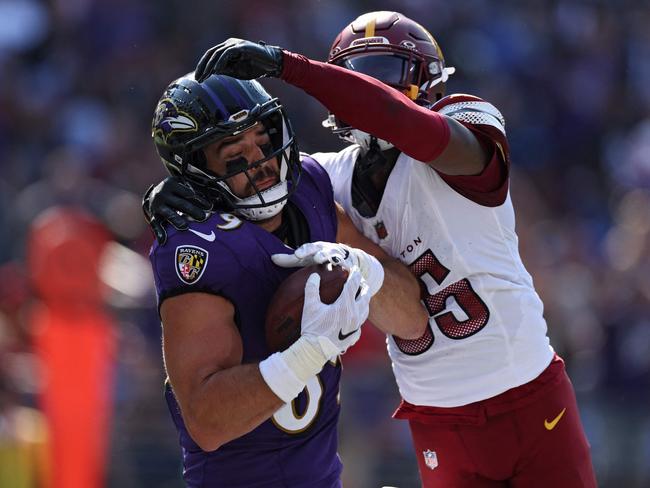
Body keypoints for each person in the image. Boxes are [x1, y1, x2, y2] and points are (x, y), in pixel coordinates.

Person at [145, 11, 598, 488]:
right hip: (434, 411)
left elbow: (399, 119)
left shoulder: (467, 129)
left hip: (524, 389)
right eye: (360, 79)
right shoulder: (330, 177)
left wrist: (289, 65)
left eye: (388, 77)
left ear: (428, 80)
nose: (375, 91)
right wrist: (166, 191)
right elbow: (245, 180)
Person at [147, 71, 426, 488]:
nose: (260, 161)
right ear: (194, 170)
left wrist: (366, 271)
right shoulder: (196, 250)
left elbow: (413, 321)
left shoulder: (308, 191)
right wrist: (311, 351)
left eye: (261, 139)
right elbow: (207, 422)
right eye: (234, 154)